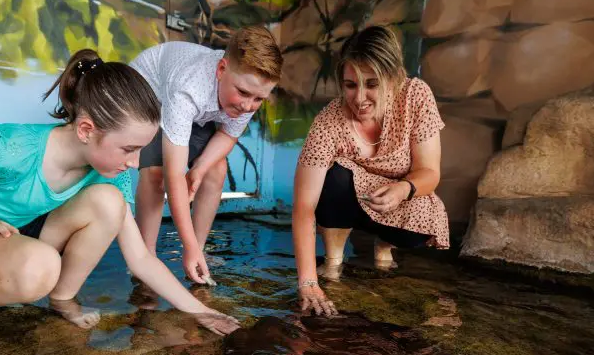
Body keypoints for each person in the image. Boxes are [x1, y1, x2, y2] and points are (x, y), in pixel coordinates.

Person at [0, 49, 240, 337]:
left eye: (140, 152)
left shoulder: (107, 175)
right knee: (40, 268)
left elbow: (141, 259)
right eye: (128, 149)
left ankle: (62, 298)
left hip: (11, 232)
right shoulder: (11, 147)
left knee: (108, 203)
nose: (133, 164)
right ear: (86, 129)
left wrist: (201, 311)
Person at [292, 26, 449, 316]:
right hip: (348, 198)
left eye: (372, 84)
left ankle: (385, 245)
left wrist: (404, 189)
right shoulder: (330, 121)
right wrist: (308, 281)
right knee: (336, 175)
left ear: (393, 78)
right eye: (351, 85)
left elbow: (429, 172)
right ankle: (334, 257)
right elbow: (304, 206)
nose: (360, 98)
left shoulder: (416, 96)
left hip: (397, 196)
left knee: (421, 220)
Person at [129, 25, 282, 284]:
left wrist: (198, 169)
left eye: (258, 100)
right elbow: (174, 175)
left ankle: (198, 252)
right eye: (243, 93)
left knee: (216, 168)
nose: (248, 106)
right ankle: (145, 257)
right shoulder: (188, 89)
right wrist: (183, 243)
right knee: (156, 174)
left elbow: (228, 135)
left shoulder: (249, 92)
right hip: (145, 94)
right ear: (221, 70)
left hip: (198, 106)